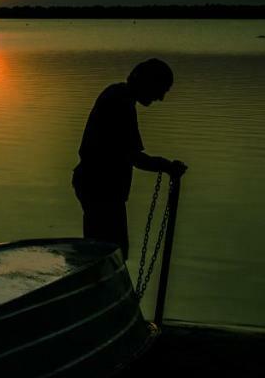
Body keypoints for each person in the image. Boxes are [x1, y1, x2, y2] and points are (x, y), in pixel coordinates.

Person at [72, 58, 187, 258]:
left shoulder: (119, 97)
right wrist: (166, 166)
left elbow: (128, 153)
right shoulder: (120, 103)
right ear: (147, 82)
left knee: (106, 250)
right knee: (110, 252)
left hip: (97, 186)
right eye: (161, 89)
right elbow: (133, 156)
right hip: (100, 188)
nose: (160, 97)